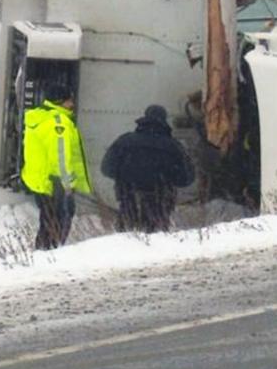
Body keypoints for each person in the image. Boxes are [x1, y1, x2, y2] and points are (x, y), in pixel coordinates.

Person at [101, 104, 194, 232]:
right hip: (160, 203)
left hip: (129, 198)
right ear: (164, 120)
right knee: (155, 241)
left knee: (125, 239)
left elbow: (106, 168)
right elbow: (186, 179)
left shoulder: (125, 141)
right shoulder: (174, 147)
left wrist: (126, 176)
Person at [22, 83, 90, 249]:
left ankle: (44, 252)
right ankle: (51, 253)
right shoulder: (58, 123)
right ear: (61, 101)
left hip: (43, 181)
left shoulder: (42, 118)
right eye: (69, 100)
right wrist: (67, 185)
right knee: (59, 220)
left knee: (48, 221)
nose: (72, 104)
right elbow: (60, 157)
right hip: (55, 183)